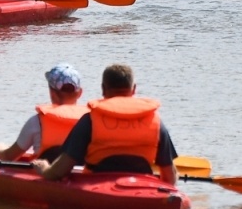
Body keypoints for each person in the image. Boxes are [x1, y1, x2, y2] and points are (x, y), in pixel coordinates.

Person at [33, 65, 178, 184]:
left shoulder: (89, 120)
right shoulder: (156, 122)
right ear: (133, 89)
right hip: (141, 186)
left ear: (103, 89)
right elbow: (169, 177)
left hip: (96, 186)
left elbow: (60, 170)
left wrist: (45, 170)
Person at [0, 64, 87, 162]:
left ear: (52, 93)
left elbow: (8, 157)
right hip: (83, 174)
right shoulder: (91, 121)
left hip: (45, 173)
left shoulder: (36, 122)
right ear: (80, 93)